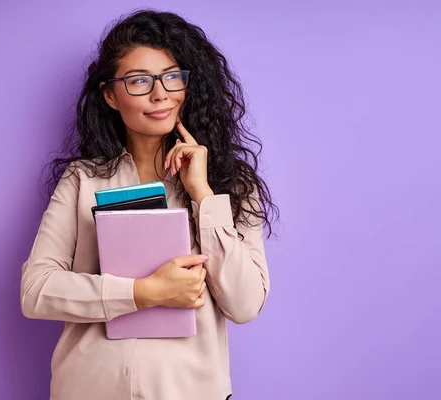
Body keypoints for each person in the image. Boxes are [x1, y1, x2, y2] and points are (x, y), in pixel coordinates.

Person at [20, 9, 278, 400]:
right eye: (139, 80)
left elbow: (244, 304)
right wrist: (145, 292)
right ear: (110, 94)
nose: (160, 94)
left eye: (171, 76)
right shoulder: (82, 180)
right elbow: (36, 291)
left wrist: (203, 196)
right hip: (88, 390)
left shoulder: (230, 185)